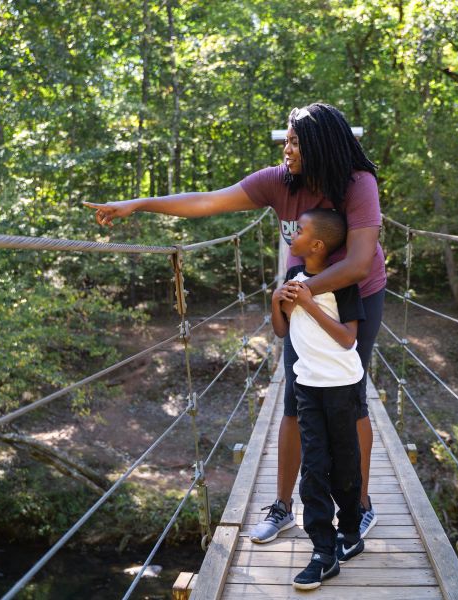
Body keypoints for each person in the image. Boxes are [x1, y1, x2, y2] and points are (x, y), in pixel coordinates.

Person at [84, 102, 386, 543]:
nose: (287, 147)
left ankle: (359, 506)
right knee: (295, 398)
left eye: (296, 140)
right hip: (303, 292)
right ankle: (283, 506)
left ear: (320, 146)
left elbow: (359, 262)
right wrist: (138, 204)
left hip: (357, 292)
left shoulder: (358, 184)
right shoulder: (278, 182)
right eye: (287, 138)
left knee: (351, 398)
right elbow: (208, 201)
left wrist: (303, 293)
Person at [270, 208, 365, 590]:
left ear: (319, 244)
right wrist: (276, 301)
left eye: (302, 229)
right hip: (306, 385)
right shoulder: (293, 276)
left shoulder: (343, 282)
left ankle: (351, 531)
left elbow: (347, 339)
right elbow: (281, 331)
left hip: (342, 385)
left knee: (344, 466)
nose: (294, 231)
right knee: (313, 469)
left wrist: (309, 302)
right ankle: (323, 553)